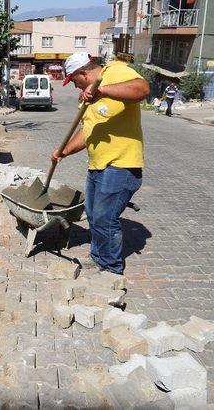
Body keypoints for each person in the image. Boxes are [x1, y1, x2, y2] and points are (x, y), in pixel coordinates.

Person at [51, 52, 149, 275]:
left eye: (73, 80)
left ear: (83, 73)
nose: (75, 86)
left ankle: (112, 269)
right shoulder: (86, 99)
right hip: (97, 166)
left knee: (106, 217)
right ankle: (98, 258)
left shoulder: (113, 72)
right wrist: (63, 151)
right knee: (94, 215)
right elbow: (87, 133)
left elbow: (142, 89)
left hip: (121, 165)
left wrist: (101, 90)